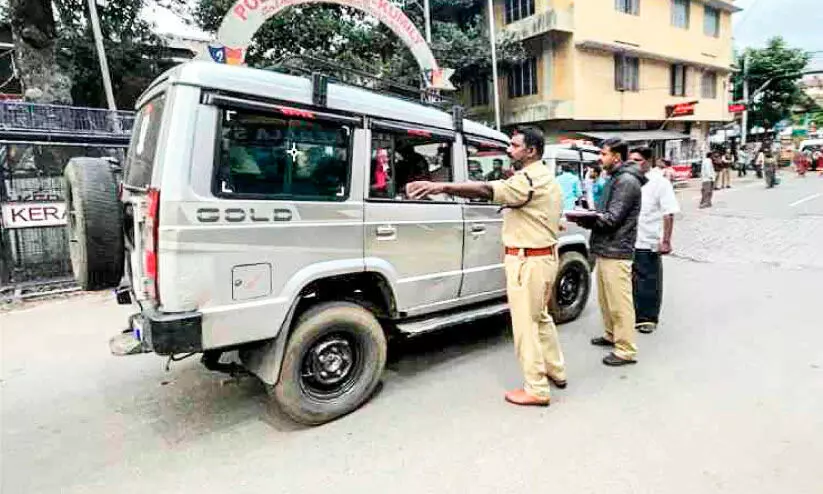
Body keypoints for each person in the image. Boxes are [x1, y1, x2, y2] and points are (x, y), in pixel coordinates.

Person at [406, 127, 566, 407]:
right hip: (543, 258)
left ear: (531, 151)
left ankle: (537, 388)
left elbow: (485, 189)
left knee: (525, 325)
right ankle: (555, 369)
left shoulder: (527, 180)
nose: (508, 150)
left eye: (514, 146)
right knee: (540, 318)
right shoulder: (544, 177)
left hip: (527, 261)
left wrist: (441, 186)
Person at [567, 138, 646, 366]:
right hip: (606, 247)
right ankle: (612, 335)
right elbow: (606, 213)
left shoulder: (627, 181)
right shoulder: (616, 178)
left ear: (616, 157)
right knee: (606, 299)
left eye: (603, 154)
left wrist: (586, 220)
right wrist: (588, 216)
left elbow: (612, 219)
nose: (600, 159)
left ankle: (625, 349)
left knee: (619, 302)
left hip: (617, 248)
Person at [632, 155, 680, 334]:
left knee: (649, 280)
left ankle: (648, 318)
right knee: (632, 280)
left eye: (637, 160)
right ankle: (634, 314)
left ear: (648, 161)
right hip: (629, 240)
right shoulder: (631, 181)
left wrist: (666, 241)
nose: (633, 163)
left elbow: (669, 213)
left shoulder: (660, 183)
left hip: (649, 239)